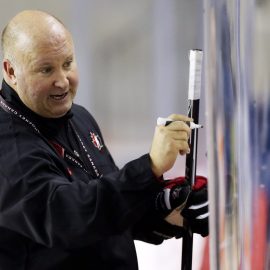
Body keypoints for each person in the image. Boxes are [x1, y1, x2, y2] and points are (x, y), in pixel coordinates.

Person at [0, 10, 208, 270]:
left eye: (67, 63)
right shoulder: (9, 148)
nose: (62, 81)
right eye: (46, 69)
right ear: (11, 71)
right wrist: (149, 167)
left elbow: (109, 213)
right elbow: (70, 219)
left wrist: (166, 207)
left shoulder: (77, 117)